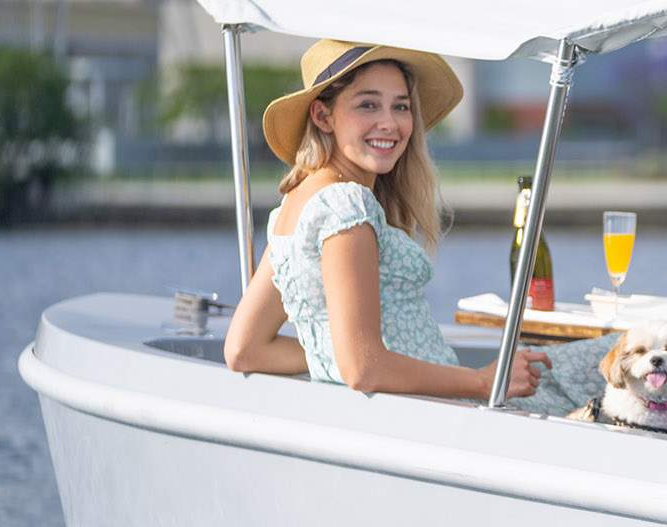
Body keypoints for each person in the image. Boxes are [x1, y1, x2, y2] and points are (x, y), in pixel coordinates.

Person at [224, 40, 612, 414]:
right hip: (447, 412)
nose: (389, 123)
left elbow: (245, 348)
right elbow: (364, 368)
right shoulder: (345, 205)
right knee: (625, 356)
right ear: (323, 116)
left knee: (622, 356)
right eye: (368, 105)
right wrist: (483, 381)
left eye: (401, 107)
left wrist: (335, 356)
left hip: (427, 401)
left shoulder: (298, 202)